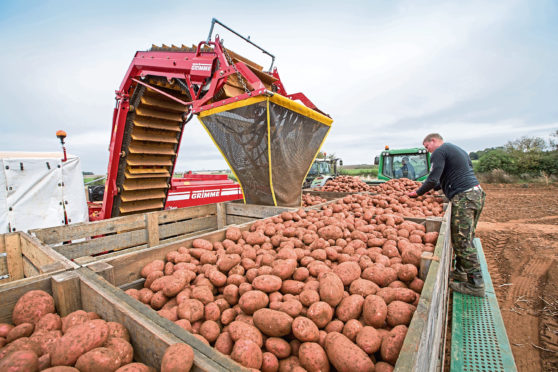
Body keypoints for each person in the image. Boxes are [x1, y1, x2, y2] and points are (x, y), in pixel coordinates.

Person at [407, 133, 486, 297]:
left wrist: (418, 193)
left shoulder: (440, 151)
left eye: (426, 147)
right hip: (475, 194)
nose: (428, 151)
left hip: (464, 197)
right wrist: (433, 190)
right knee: (466, 236)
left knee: (462, 240)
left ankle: (476, 285)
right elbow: (444, 178)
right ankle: (461, 273)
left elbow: (433, 178)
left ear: (433, 141)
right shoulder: (459, 150)